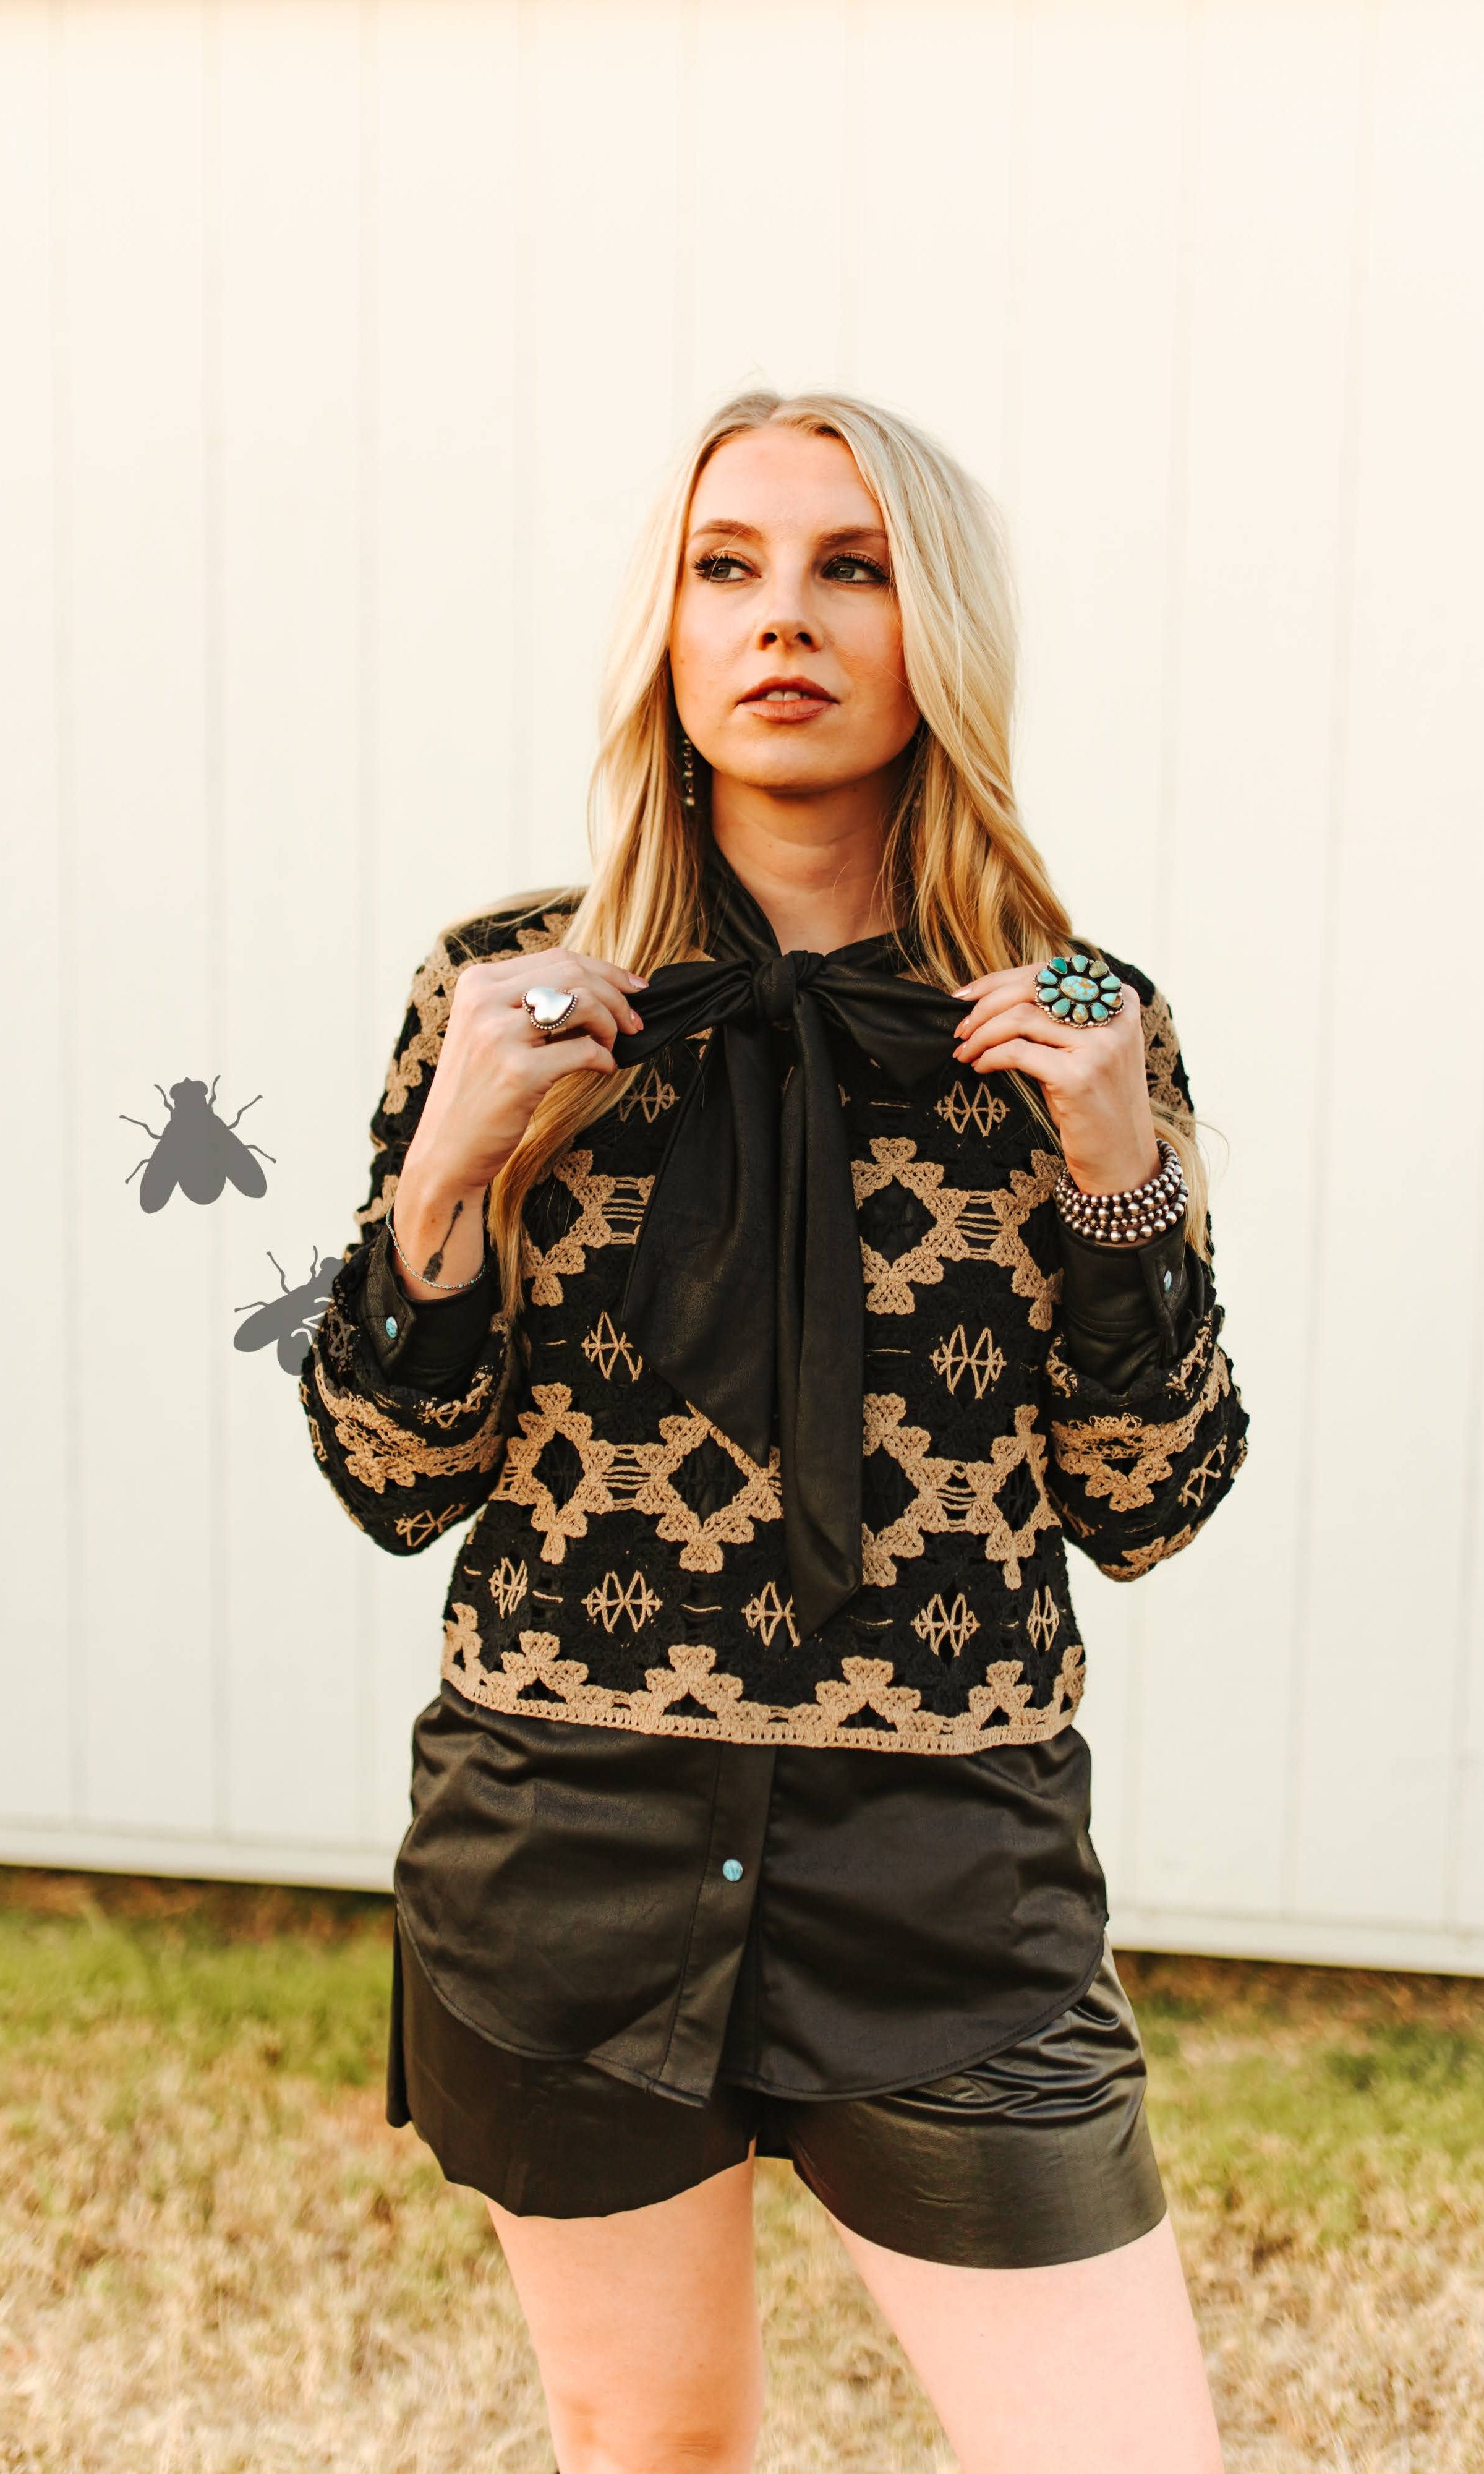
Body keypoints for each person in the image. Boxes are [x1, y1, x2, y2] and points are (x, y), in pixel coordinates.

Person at [301, 388, 1247, 2474]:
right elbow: (393, 1478)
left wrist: (1114, 1182)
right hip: (570, 1853)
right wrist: (445, 1177)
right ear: (667, 626)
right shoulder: (503, 998)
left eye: (854, 569)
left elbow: (1149, 1498)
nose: (781, 621)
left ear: (942, 637)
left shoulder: (1083, 1021)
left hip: (947, 1886)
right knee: (654, 2452)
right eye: (727, 567)